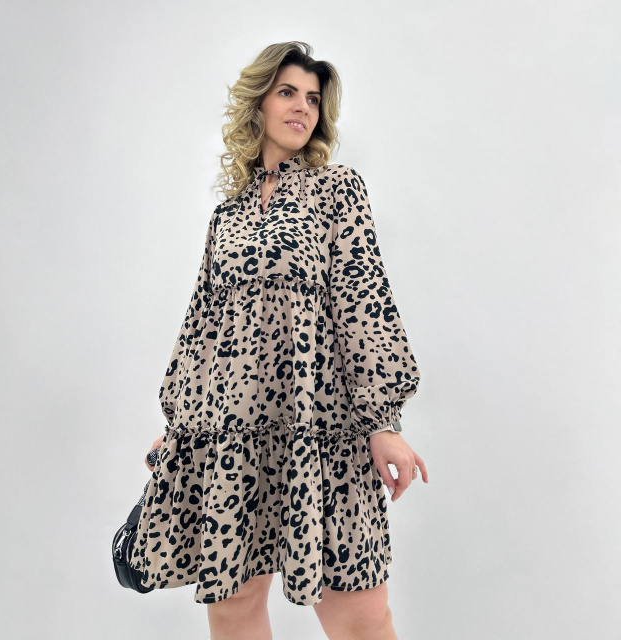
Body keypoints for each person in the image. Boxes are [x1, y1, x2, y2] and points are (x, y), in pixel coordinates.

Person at [131, 41, 428, 640]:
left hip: (322, 431)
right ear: (258, 103)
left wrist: (382, 421)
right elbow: (202, 324)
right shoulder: (228, 215)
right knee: (234, 607)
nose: (302, 108)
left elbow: (363, 300)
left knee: (360, 617)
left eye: (313, 99)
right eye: (287, 93)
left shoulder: (337, 190)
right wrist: (181, 421)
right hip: (233, 434)